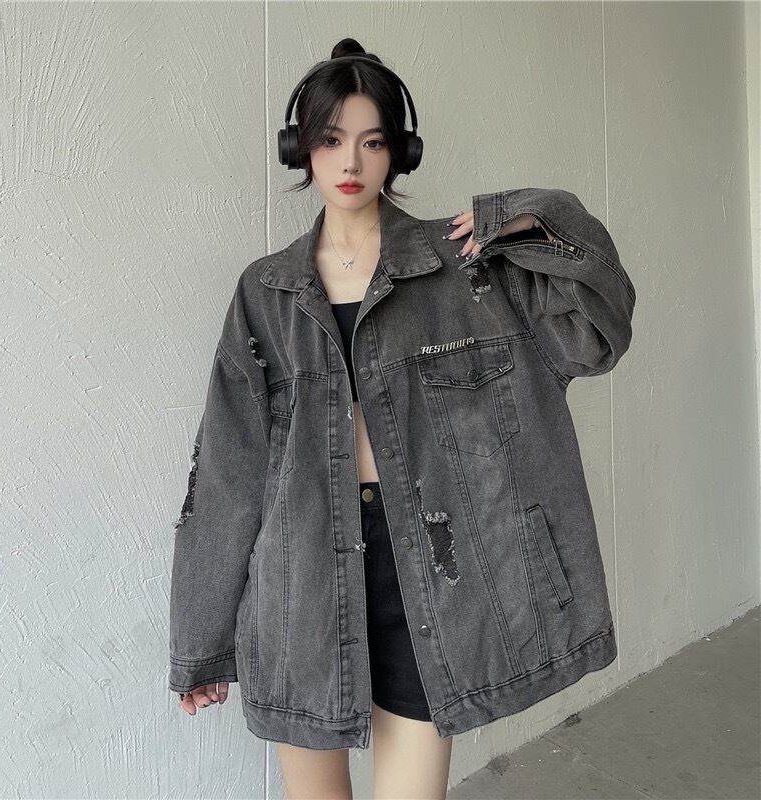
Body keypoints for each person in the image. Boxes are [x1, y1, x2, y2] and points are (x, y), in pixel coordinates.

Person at [170, 36, 635, 800]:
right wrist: (201, 641)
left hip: (433, 571)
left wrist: (527, 219)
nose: (350, 161)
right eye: (330, 140)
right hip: (300, 580)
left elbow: (599, 329)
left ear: (399, 151)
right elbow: (228, 469)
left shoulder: (468, 269)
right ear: (301, 149)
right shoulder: (266, 294)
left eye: (372, 141)